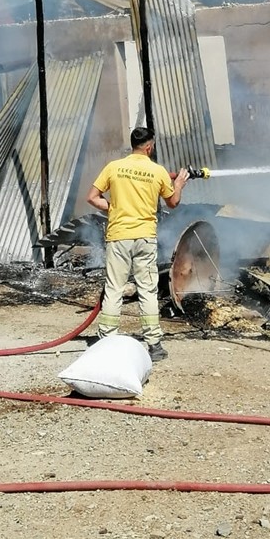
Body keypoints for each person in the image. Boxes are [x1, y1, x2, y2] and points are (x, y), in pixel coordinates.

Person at [86, 126, 190, 362]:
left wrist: (113, 208)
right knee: (147, 290)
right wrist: (180, 184)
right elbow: (173, 202)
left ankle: (106, 343)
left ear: (133, 145)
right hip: (145, 237)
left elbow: (92, 197)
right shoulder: (157, 171)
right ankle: (154, 345)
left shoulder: (114, 167)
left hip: (118, 236)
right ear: (149, 147)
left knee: (114, 288)